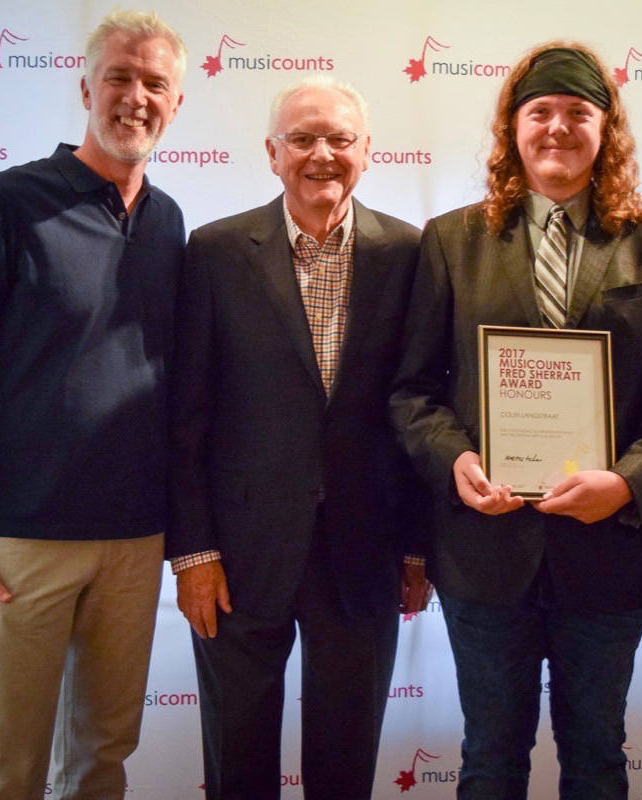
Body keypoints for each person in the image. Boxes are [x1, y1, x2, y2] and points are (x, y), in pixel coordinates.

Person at [389, 42, 642, 799]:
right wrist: (455, 464)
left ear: (607, 130)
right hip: (483, 554)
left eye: (578, 112)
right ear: (514, 128)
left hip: (605, 558)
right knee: (489, 761)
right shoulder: (451, 241)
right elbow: (412, 392)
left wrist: (628, 484)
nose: (558, 129)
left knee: (597, 759)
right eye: (540, 112)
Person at [0, 9, 186, 799]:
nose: (134, 96)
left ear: (176, 103)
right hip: (20, 545)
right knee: (8, 773)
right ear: (85, 87)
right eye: (119, 77)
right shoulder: (8, 203)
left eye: (154, 83)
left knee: (101, 765)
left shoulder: (169, 221)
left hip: (137, 542)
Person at [167, 74, 429, 800]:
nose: (322, 154)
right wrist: (192, 552)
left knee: (346, 763)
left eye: (340, 139)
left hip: (365, 548)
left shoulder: (410, 255)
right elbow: (187, 415)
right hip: (238, 552)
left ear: (367, 151)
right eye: (303, 139)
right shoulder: (215, 252)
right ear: (271, 153)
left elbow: (420, 411)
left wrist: (416, 546)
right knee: (236, 756)